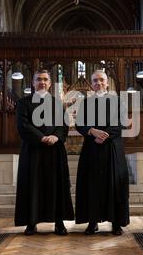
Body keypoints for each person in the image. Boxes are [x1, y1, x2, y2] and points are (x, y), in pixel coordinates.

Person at [14, 69, 74, 235]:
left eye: (45, 79)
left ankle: (59, 223)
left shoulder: (57, 103)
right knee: (33, 185)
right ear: (33, 83)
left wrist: (55, 136)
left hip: (55, 151)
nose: (42, 82)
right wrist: (41, 138)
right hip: (33, 150)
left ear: (49, 83)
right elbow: (22, 125)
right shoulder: (23, 103)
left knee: (57, 186)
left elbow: (64, 125)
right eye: (38, 79)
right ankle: (31, 222)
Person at [75, 70, 130, 235]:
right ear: (92, 84)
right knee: (91, 185)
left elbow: (122, 123)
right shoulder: (85, 103)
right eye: (95, 81)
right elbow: (79, 124)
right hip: (91, 149)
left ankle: (116, 223)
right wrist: (92, 131)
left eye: (101, 80)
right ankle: (92, 222)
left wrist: (103, 135)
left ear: (107, 83)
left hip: (112, 148)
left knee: (114, 185)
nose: (98, 83)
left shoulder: (118, 101)